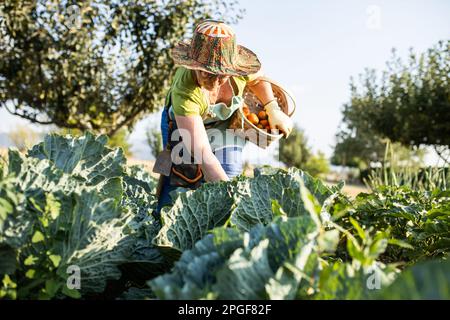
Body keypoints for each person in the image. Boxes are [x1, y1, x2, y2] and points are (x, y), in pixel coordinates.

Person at [154, 19, 293, 213]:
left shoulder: (241, 70)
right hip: (182, 125)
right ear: (195, 66)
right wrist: (232, 198)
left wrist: (272, 109)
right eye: (210, 73)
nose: (218, 80)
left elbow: (259, 78)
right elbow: (202, 152)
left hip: (226, 125)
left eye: (224, 73)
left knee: (228, 171)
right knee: (179, 183)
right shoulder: (185, 91)